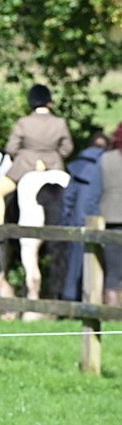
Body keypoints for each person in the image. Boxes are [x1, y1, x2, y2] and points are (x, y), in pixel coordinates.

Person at [0, 84, 73, 224]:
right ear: (49, 102)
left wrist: (24, 156)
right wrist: (54, 156)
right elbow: (67, 148)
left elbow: (11, 148)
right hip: (54, 166)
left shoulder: (23, 122)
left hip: (24, 166)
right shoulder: (60, 123)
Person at [60, 132, 108, 301]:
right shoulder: (109, 164)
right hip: (104, 221)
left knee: (74, 263)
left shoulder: (78, 166)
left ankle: (69, 299)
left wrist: (64, 222)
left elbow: (68, 198)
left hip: (78, 221)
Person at [98, 129, 122, 307]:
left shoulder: (106, 159)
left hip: (111, 219)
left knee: (112, 273)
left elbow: (95, 192)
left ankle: (112, 316)